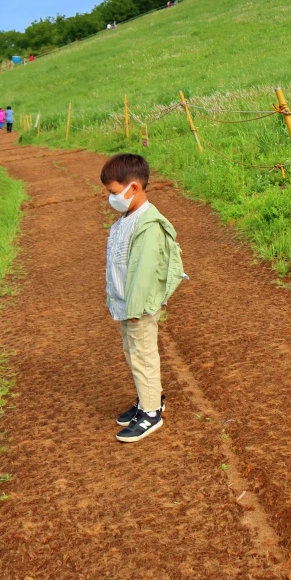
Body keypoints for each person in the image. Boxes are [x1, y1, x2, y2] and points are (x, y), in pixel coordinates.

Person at [100, 153, 186, 443]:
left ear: (133, 187)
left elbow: (146, 273)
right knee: (132, 352)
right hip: (127, 305)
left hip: (139, 306)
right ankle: (148, 398)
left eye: (113, 192)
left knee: (143, 355)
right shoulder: (128, 219)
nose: (111, 199)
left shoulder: (149, 225)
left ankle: (151, 413)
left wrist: (135, 308)